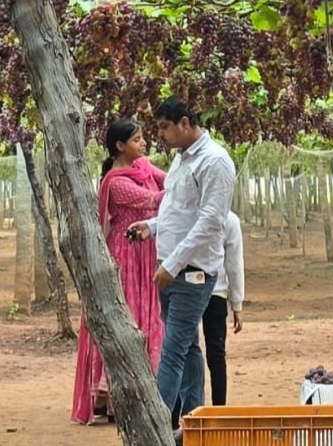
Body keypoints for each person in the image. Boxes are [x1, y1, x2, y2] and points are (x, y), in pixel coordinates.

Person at [128, 97, 236, 440]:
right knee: (188, 348)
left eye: (164, 127)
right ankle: (194, 425)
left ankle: (155, 430)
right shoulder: (180, 161)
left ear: (185, 123)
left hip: (192, 271)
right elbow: (179, 213)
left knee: (172, 350)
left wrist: (172, 265)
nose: (159, 135)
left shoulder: (215, 161)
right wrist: (152, 226)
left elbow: (210, 221)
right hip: (173, 267)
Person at [72, 119, 167, 424]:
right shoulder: (116, 181)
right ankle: (114, 394)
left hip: (146, 250)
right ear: (120, 146)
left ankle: (141, 388)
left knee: (146, 314)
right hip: (127, 254)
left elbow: (166, 180)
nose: (144, 144)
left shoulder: (143, 168)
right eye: (137, 140)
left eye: (143, 138)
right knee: (131, 315)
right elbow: (153, 199)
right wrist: (192, 184)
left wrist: (183, 178)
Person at [171, 210, 245, 429]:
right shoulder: (229, 219)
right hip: (215, 292)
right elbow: (234, 264)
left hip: (191, 291)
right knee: (215, 355)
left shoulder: (189, 216)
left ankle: (174, 418)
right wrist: (237, 303)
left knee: (181, 351)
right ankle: (217, 415)